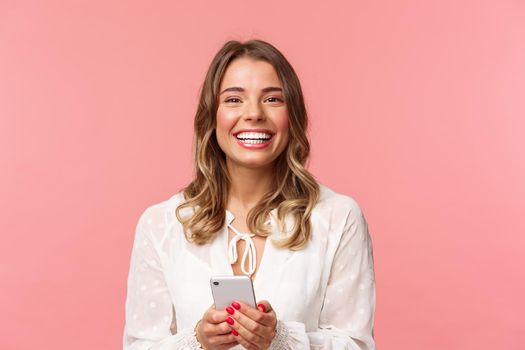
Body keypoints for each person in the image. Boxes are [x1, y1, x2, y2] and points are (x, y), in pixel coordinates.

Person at [123, 39, 376, 350]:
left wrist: (280, 338)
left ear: (292, 115)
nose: (254, 113)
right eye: (233, 99)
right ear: (212, 116)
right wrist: (197, 341)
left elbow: (356, 345)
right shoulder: (161, 224)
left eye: (272, 99)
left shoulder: (338, 217)